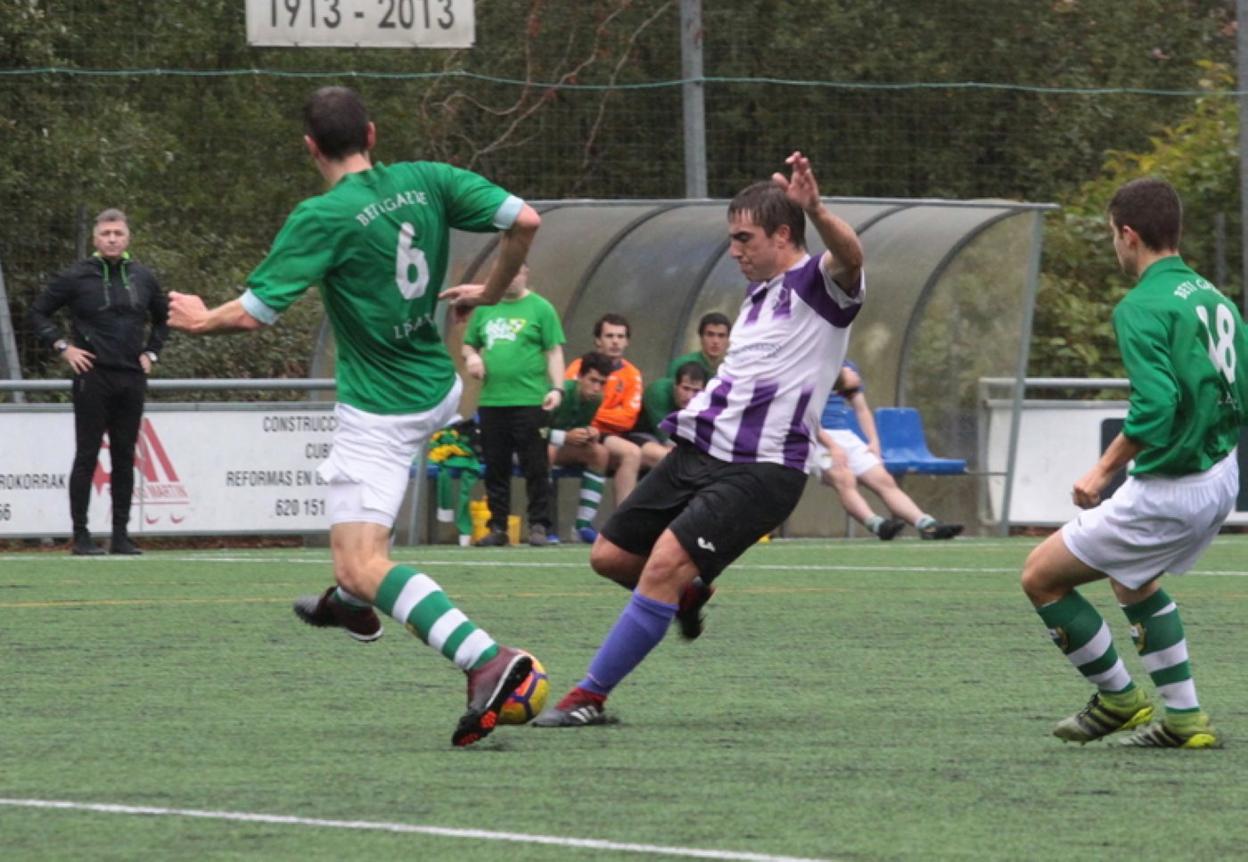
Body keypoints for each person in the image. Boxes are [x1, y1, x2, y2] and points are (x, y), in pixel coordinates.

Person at [166, 86, 542, 747]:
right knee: (360, 555)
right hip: (438, 387)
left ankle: (485, 659)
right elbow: (526, 221)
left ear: (310, 147)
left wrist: (198, 320)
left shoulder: (323, 216)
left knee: (358, 563)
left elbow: (253, 314)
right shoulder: (427, 179)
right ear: (371, 134)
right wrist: (487, 293)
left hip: (381, 412)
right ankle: (350, 607)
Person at [535, 151, 865, 727]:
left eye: (744, 238)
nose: (734, 250)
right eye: (732, 239)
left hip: (762, 468)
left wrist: (817, 209)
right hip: (699, 452)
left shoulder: (818, 285)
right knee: (609, 557)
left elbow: (852, 257)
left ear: (782, 235)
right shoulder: (758, 296)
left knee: (663, 564)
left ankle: (587, 698)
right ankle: (689, 594)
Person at [1019, 178, 1248, 749]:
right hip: (1220, 474)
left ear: (1128, 235)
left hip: (1172, 489)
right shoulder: (1213, 298)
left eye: (1111, 236)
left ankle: (1119, 698)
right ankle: (1185, 720)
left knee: (1040, 577)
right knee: (1132, 579)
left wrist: (1101, 471)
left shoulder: (1142, 305)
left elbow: (1157, 404)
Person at [28, 208, 169, 556]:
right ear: (95, 239)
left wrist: (152, 352)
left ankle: (121, 535)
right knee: (87, 455)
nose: (112, 239)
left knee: (124, 455)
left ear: (128, 237)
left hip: (131, 378)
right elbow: (38, 312)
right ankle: (81, 535)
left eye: (118, 233)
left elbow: (164, 317)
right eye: (106, 234)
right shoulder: (76, 276)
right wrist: (63, 347)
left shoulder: (143, 277)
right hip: (93, 377)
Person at [462, 264, 566, 547]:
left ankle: (539, 526)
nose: (509, 279)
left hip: (531, 400)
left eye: (515, 272)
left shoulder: (541, 308)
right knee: (495, 466)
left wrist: (557, 388)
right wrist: (472, 357)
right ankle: (498, 527)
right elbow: (469, 344)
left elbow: (554, 351)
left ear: (525, 274)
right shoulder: (484, 308)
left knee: (536, 465)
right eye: (504, 274)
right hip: (492, 401)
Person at [814, 361, 962, 540]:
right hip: (812, 435)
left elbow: (861, 409)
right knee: (844, 478)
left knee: (883, 479)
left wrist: (873, 441)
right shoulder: (808, 362)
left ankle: (927, 526)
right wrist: (832, 447)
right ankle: (877, 524)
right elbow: (805, 416)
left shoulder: (847, 365)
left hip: (844, 434)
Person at [564, 312, 644, 505]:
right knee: (630, 452)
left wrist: (594, 411)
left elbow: (628, 419)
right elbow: (571, 404)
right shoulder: (580, 367)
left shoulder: (632, 374)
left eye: (620, 336)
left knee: (637, 454)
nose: (615, 341)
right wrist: (609, 414)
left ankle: (624, 517)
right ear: (598, 341)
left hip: (611, 434)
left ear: (627, 342)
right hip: (580, 430)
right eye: (609, 336)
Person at [547, 352, 615, 543]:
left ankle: (583, 525)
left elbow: (576, 428)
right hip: (528, 448)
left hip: (560, 447)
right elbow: (532, 431)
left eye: (602, 383)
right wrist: (565, 436)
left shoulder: (596, 399)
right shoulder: (559, 393)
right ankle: (545, 524)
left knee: (600, 453)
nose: (596, 388)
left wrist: (590, 432)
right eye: (592, 380)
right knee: (548, 451)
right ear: (579, 376)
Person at [634, 361, 708, 469]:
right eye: (685, 388)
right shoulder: (658, 392)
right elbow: (667, 438)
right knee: (673, 459)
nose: (689, 396)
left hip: (674, 441)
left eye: (696, 391)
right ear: (675, 386)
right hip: (642, 435)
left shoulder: (704, 402)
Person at [666, 311, 731, 378]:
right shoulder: (681, 365)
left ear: (728, 339)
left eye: (721, 336)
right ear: (701, 337)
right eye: (710, 335)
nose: (715, 341)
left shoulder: (732, 368)